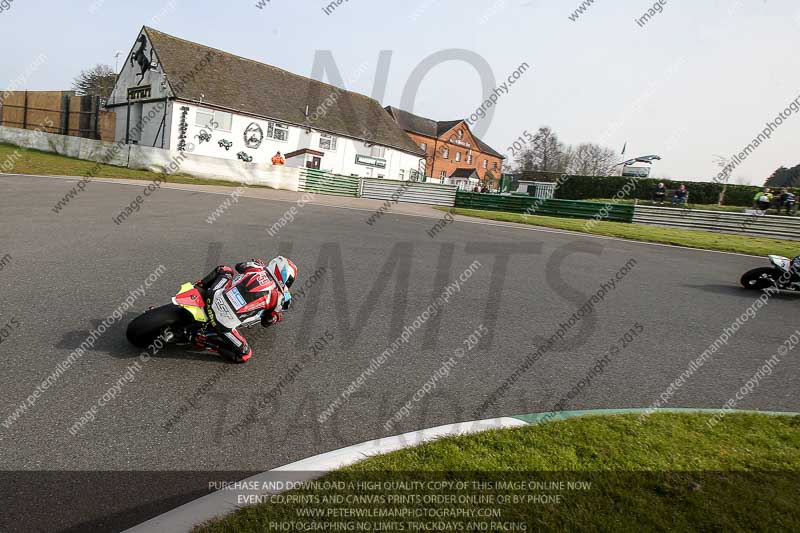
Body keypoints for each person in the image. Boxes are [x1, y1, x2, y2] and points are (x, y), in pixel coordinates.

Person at [195, 257, 297, 363]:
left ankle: (197, 287)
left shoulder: (256, 268)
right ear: (286, 278)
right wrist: (276, 317)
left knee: (225, 270)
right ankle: (205, 341)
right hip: (222, 324)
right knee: (244, 354)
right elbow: (266, 322)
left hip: (211, 298)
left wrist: (255, 263)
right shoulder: (277, 298)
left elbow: (239, 266)